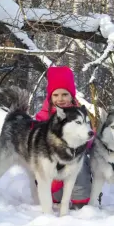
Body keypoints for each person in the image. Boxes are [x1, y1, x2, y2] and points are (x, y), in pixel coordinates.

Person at [35, 66, 92, 209]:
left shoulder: (81, 115)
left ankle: (81, 200)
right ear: (50, 96)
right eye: (56, 95)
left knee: (81, 161)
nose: (60, 99)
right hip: (50, 170)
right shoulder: (42, 117)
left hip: (75, 167)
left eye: (65, 94)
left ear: (72, 95)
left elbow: (90, 137)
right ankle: (55, 196)